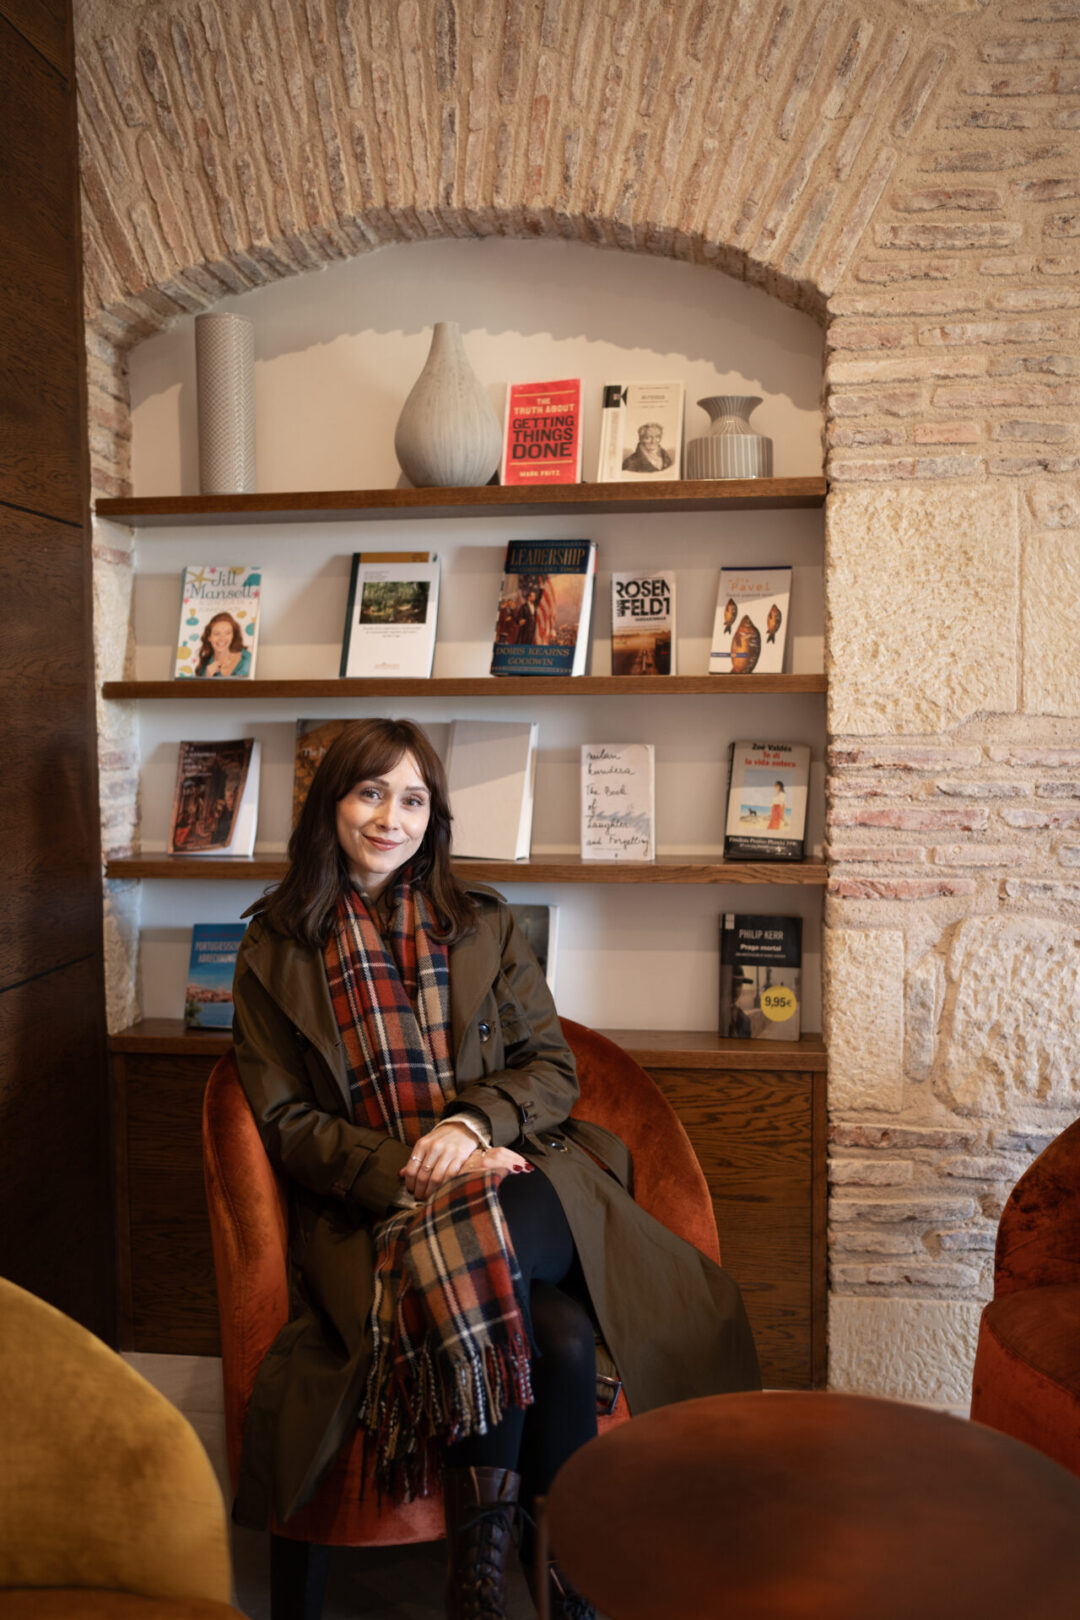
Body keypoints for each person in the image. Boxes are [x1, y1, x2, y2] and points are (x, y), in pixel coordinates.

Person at [231, 718, 760, 1620]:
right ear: (330, 806)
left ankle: (478, 1583)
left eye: (412, 800)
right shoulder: (271, 948)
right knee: (558, 1339)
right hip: (376, 1208)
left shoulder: (482, 922)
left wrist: (470, 1128)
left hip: (527, 1178)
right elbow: (287, 1125)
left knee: (493, 1220)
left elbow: (551, 1069)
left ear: (432, 817)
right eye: (370, 793)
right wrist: (416, 1169)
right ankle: (555, 1580)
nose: (390, 819)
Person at [194, 611, 251, 677]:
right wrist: (207, 676)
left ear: (233, 635)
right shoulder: (204, 667)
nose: (222, 638)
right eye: (217, 634)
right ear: (209, 637)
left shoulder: (247, 659)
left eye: (227, 633)